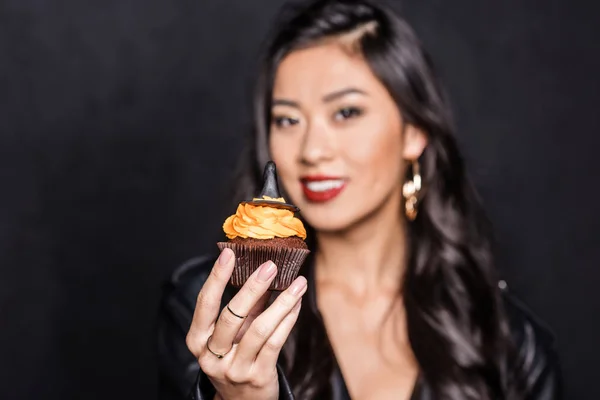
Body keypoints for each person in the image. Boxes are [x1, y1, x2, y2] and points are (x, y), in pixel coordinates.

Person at [158, 0, 561, 399]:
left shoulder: (511, 343)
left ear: (414, 131)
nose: (312, 150)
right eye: (287, 120)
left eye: (346, 112)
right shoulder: (207, 309)